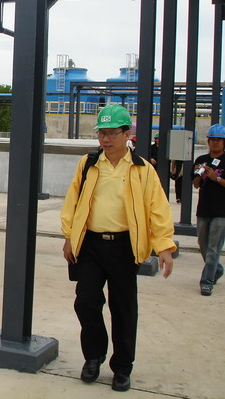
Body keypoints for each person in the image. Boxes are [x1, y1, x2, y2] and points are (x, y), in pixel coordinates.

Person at [60, 104, 175, 392]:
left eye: (112, 133)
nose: (106, 139)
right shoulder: (88, 164)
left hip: (124, 247)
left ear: (127, 134)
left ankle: (122, 367)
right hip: (90, 245)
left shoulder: (142, 169)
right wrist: (69, 236)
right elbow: (73, 201)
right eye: (102, 133)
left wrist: (163, 245)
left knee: (123, 309)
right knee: (85, 301)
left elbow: (158, 208)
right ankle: (94, 356)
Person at [192, 123, 225, 296]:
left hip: (222, 211)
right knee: (203, 245)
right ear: (208, 141)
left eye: (219, 139)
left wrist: (215, 178)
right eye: (213, 139)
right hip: (204, 209)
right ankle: (216, 269)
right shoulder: (201, 159)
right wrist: (199, 174)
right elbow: (196, 185)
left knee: (214, 248)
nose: (215, 142)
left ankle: (206, 281)